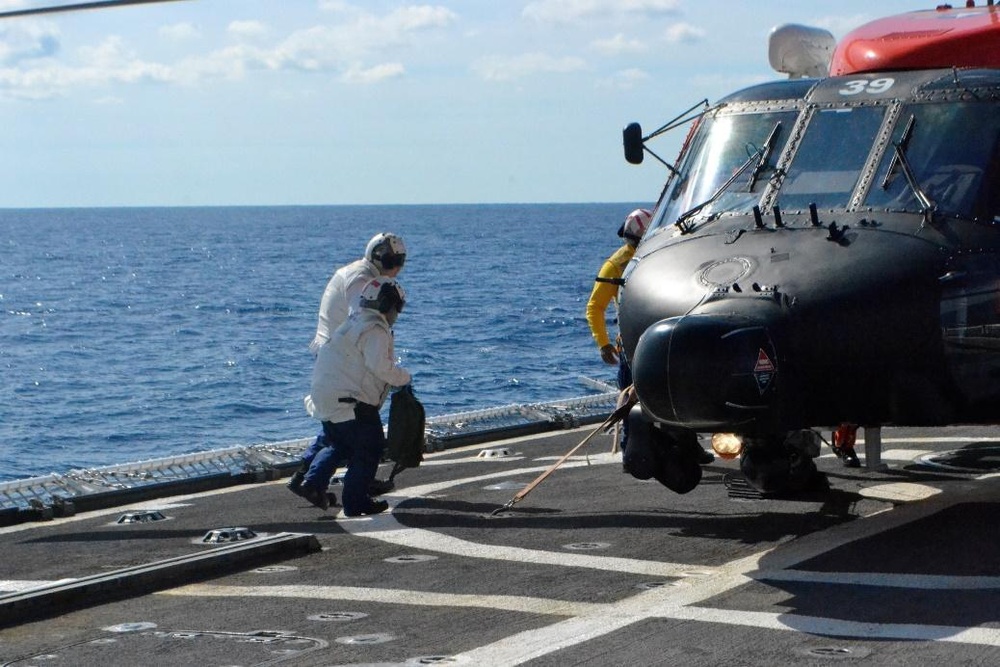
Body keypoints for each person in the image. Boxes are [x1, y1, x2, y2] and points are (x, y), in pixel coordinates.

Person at [585, 208, 713, 464]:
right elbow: (595, 306)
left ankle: (686, 445)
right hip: (632, 343)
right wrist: (604, 343)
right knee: (630, 399)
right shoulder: (616, 266)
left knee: (676, 393)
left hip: (665, 338)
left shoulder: (660, 257)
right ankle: (632, 453)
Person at [288, 233, 407, 502]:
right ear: (377, 258)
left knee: (336, 429)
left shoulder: (358, 272)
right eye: (391, 260)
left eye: (399, 260)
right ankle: (353, 486)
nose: (396, 267)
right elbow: (365, 317)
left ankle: (308, 478)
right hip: (345, 363)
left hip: (334, 360)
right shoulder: (362, 280)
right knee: (359, 433)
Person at [300, 276, 412, 515]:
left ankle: (313, 480)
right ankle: (356, 501)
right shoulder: (375, 329)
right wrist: (404, 378)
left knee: (339, 442)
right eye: (397, 307)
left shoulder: (352, 322)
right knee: (369, 447)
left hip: (324, 396)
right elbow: (379, 366)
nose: (397, 314)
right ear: (386, 305)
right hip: (349, 402)